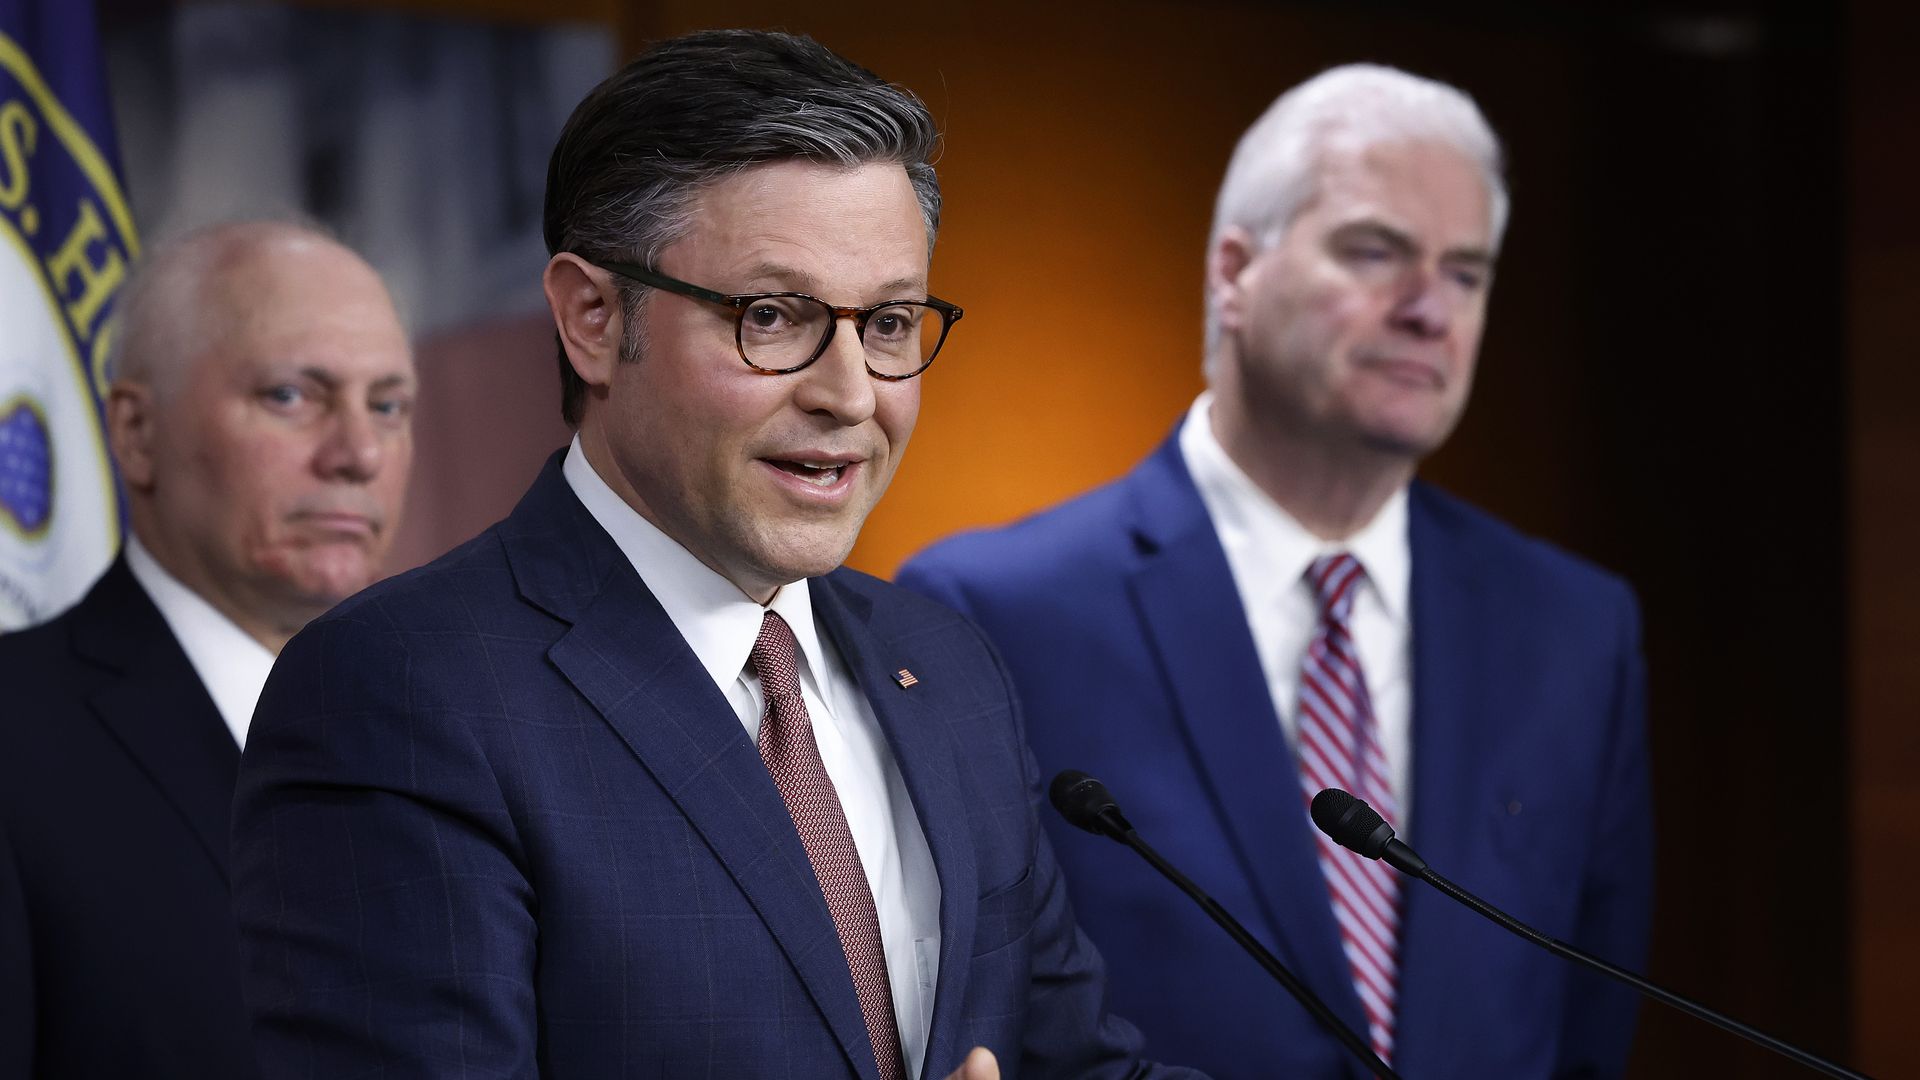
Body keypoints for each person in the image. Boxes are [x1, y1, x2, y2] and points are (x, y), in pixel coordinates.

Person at [230, 30, 1200, 1080]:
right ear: (593, 320)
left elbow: (1071, 1063)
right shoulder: (402, 691)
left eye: (886, 322)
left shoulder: (950, 669)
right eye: (773, 316)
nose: (849, 394)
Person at [899, 64, 1653, 1079]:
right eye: (1376, 252)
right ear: (1234, 271)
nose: (1432, 309)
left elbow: (1589, 1025)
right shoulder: (989, 614)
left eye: (1467, 272)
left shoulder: (1575, 628)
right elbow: (977, 1023)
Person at [0, 220, 416, 1079]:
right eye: (292, 396)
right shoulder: (15, 740)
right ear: (137, 433)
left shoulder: (462, 732)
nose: (359, 454)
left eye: (387, 405)